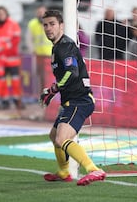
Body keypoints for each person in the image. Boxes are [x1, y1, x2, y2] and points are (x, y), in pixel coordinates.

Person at [40, 10, 106, 186]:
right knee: (54, 136)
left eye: (52, 24)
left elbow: (72, 72)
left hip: (79, 101)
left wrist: (53, 89)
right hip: (71, 101)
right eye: (45, 25)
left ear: (61, 25)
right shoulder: (57, 47)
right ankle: (63, 172)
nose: (48, 28)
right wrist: (52, 91)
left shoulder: (65, 46)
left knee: (62, 139)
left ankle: (94, 170)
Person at [0, 5, 24, 110]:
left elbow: (16, 40)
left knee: (16, 81)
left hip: (12, 59)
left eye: (2, 14)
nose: (1, 16)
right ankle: (5, 101)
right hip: (0, 60)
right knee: (2, 82)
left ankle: (17, 100)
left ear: (6, 14)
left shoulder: (13, 25)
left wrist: (4, 47)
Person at [26, 5, 53, 98]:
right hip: (38, 55)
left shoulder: (52, 23)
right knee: (39, 76)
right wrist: (32, 50)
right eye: (39, 13)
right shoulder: (32, 24)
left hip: (50, 55)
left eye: (43, 13)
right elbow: (28, 38)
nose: (41, 15)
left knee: (50, 76)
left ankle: (50, 94)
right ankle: (40, 95)